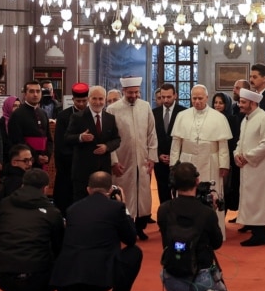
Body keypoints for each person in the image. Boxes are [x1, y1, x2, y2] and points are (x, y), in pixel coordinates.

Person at [50, 171, 143, 291]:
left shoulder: (73, 209)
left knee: (83, 254)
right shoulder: (116, 208)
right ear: (110, 190)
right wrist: (124, 208)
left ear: (88, 189)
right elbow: (131, 240)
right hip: (101, 277)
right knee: (135, 253)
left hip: (68, 277)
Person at [157, 162, 231, 291]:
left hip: (170, 277)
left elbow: (166, 242)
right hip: (201, 280)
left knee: (176, 252)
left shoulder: (163, 209)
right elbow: (216, 243)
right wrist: (212, 213)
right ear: (197, 181)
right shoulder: (206, 212)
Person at [0, 168, 64, 291]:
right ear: (45, 188)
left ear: (22, 185)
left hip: (0, 274)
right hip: (36, 277)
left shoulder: (5, 204)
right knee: (52, 253)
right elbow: (59, 245)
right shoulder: (52, 212)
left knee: (11, 247)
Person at [169, 85, 232, 238]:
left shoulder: (219, 117)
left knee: (211, 195)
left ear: (206, 97)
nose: (197, 101)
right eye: (194, 98)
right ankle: (185, 229)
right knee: (186, 193)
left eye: (200, 98)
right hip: (187, 161)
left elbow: (223, 145)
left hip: (210, 161)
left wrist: (224, 165)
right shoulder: (182, 116)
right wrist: (173, 164)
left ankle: (213, 232)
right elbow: (176, 143)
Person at [106, 76, 158, 240]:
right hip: (122, 159)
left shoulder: (145, 106)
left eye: (136, 92)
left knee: (143, 194)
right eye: (130, 93)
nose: (134, 95)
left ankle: (139, 227)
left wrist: (152, 157)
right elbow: (109, 138)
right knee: (124, 194)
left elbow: (152, 133)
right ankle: (124, 229)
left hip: (142, 159)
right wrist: (114, 161)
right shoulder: (113, 109)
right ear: (123, 91)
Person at [234, 88, 265, 247]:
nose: (240, 105)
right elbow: (241, 141)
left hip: (261, 169)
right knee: (251, 199)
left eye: (243, 102)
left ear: (252, 103)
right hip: (248, 167)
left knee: (259, 200)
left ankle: (259, 235)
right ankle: (255, 229)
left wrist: (247, 156)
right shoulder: (246, 119)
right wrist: (236, 154)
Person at [65, 86, 121, 204]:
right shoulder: (77, 117)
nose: (97, 102)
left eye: (101, 99)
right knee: (81, 204)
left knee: (103, 204)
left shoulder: (110, 118)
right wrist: (80, 137)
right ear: (89, 99)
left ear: (105, 100)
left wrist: (107, 147)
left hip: (103, 171)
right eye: (94, 98)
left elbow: (116, 140)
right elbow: (67, 138)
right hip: (83, 172)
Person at [53, 82, 91, 213]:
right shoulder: (63, 116)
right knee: (66, 199)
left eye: (84, 101)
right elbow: (60, 142)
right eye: (78, 101)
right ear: (73, 99)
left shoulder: (92, 115)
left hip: (87, 165)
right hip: (68, 164)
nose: (81, 104)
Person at [154, 83, 186, 205]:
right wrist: (158, 155)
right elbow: (151, 137)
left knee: (180, 190)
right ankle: (165, 214)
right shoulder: (154, 113)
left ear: (175, 95)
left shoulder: (183, 112)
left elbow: (185, 137)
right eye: (163, 97)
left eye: (169, 97)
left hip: (178, 160)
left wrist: (174, 156)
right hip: (160, 160)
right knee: (163, 191)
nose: (166, 100)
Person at [8, 80, 52, 169]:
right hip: (26, 161)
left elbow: (49, 138)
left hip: (43, 160)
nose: (35, 94)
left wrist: (47, 155)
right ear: (25, 94)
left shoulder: (43, 113)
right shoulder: (17, 114)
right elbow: (17, 141)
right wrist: (35, 157)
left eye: (38, 91)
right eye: (31, 91)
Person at [213, 91, 242, 215]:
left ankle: (221, 216)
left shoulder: (232, 119)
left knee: (224, 189)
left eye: (221, 103)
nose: (217, 105)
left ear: (227, 104)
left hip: (227, 159)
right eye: (215, 102)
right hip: (212, 157)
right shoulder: (210, 118)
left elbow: (234, 140)